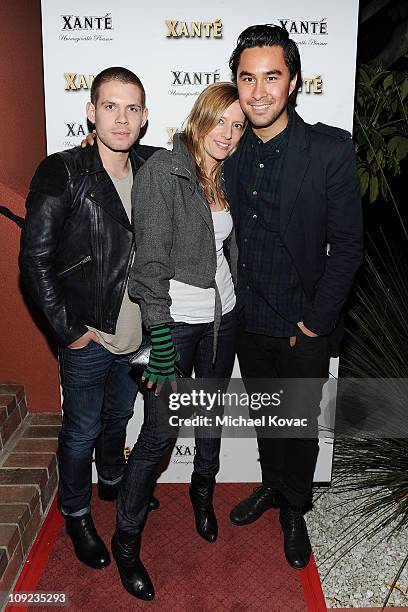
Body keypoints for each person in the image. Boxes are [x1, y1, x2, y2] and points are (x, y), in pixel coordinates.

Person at [224, 25, 363, 569]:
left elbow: (348, 247)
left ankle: (294, 509)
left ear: (294, 81)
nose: (259, 92)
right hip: (245, 319)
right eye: (247, 78)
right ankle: (271, 486)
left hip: (303, 323)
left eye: (272, 77)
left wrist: (314, 322)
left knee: (299, 427)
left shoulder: (328, 150)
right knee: (266, 417)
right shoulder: (227, 148)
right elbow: (163, 164)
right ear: (236, 84)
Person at [19, 66, 159, 571]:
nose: (121, 119)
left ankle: (113, 481)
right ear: (91, 111)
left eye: (131, 108)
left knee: (119, 417)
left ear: (144, 117)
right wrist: (70, 332)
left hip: (137, 333)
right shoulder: (63, 171)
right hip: (90, 332)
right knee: (80, 430)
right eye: (110, 106)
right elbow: (34, 259)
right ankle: (75, 511)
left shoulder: (153, 167)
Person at [109, 82, 245, 601]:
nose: (228, 134)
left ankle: (202, 492)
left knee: (209, 411)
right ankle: (127, 541)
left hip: (222, 316)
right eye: (220, 122)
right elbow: (150, 265)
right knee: (159, 436)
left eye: (237, 126)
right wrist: (161, 338)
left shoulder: (224, 173)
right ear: (199, 117)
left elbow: (226, 248)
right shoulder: (164, 172)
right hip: (176, 323)